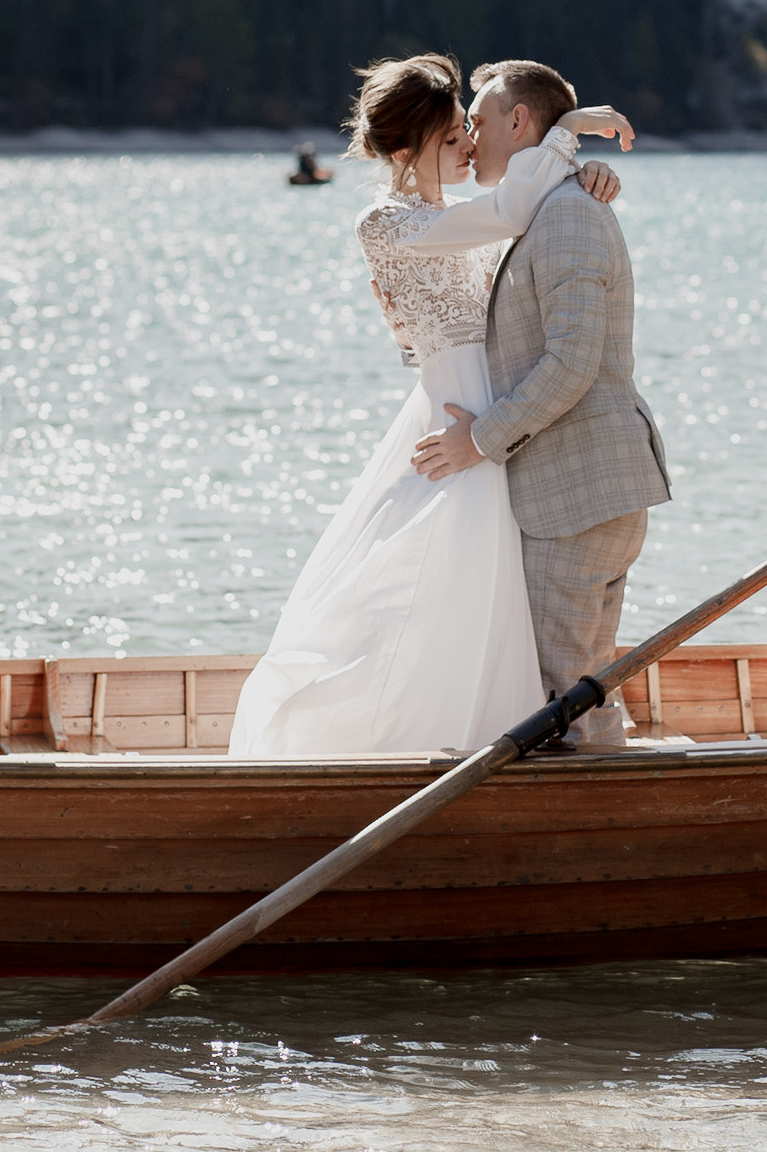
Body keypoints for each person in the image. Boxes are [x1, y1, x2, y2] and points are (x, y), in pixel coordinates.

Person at [228, 55, 635, 757]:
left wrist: (585, 174)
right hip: (460, 419)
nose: (470, 146)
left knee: (491, 593)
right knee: (439, 581)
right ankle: (421, 736)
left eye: (467, 133)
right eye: (453, 138)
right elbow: (511, 210)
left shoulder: (461, 216)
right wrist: (566, 131)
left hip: (498, 419)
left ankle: (500, 736)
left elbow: (532, 222)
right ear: (405, 149)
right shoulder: (384, 222)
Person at [410, 60, 671, 750]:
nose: (471, 134)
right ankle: (607, 815)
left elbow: (572, 363)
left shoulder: (567, 217)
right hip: (581, 488)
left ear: (519, 121)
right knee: (582, 689)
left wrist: (480, 440)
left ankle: (593, 834)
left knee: (562, 698)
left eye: (481, 120)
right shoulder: (552, 207)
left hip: (576, 495)